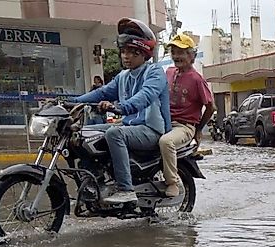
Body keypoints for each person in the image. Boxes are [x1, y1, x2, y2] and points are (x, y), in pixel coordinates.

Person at [72, 18, 171, 204]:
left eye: (132, 52)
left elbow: (145, 96)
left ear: (143, 53)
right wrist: (71, 102)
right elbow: (102, 92)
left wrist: (119, 107)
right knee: (83, 134)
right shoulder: (123, 76)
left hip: (151, 129)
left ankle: (126, 189)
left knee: (114, 133)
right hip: (130, 127)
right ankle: (93, 184)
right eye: (123, 51)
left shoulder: (155, 72)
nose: (126, 56)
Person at [158, 33, 214, 197]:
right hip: (164, 122)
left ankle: (172, 182)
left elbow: (210, 107)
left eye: (181, 52)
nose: (176, 56)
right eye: (173, 52)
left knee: (166, 142)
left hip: (184, 126)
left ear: (192, 56)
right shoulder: (168, 72)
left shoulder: (197, 79)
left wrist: (197, 130)